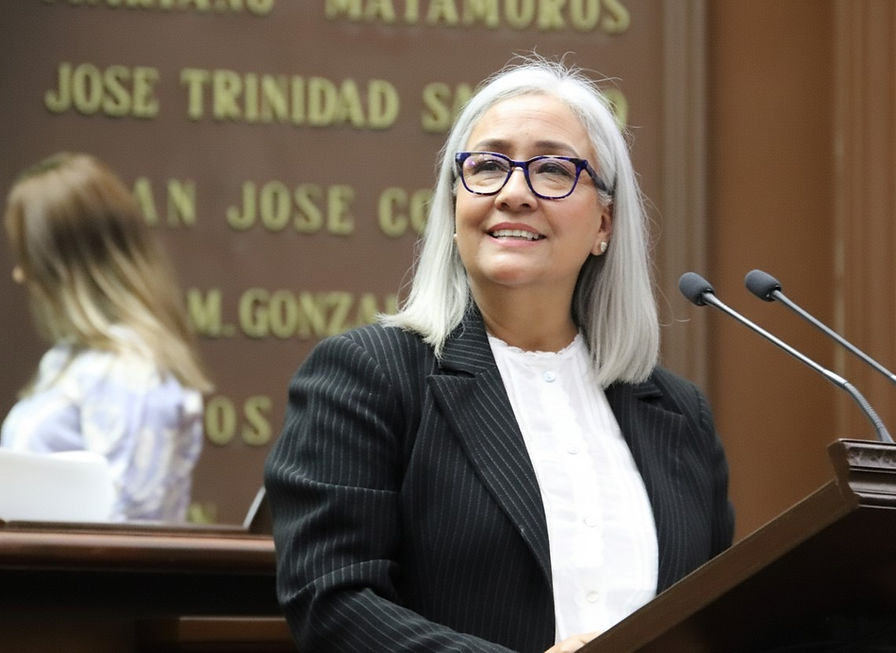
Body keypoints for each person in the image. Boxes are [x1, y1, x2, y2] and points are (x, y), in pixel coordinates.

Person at [264, 56, 734, 653]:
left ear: (604, 223)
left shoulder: (678, 412)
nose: (514, 193)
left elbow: (719, 612)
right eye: (487, 166)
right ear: (454, 207)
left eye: (553, 169)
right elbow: (331, 602)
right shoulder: (370, 375)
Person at [0, 152, 212, 523]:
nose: (20, 274)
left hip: (74, 582)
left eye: (28, 257)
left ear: (64, 264)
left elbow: (123, 532)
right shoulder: (74, 361)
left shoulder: (131, 373)